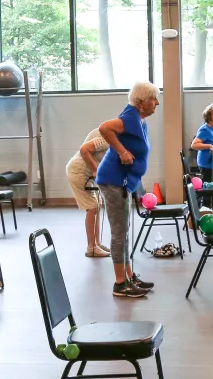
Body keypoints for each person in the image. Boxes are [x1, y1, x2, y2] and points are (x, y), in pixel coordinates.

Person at [95, 81, 160, 298]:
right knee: (119, 232)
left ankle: (129, 275)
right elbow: (104, 128)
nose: (157, 103)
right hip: (114, 181)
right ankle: (120, 284)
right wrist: (122, 151)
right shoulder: (129, 118)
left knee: (124, 230)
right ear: (142, 102)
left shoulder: (139, 120)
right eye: (154, 99)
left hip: (123, 181)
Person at [68, 127, 113, 257]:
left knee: (96, 206)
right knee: (92, 208)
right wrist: (95, 168)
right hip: (79, 172)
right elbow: (84, 150)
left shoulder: (109, 133)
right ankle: (91, 247)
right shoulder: (106, 138)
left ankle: (96, 243)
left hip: (84, 172)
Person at [189, 103, 213, 185]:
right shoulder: (205, 129)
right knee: (209, 192)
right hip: (208, 166)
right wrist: (209, 146)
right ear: (209, 118)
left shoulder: (212, 129)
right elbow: (194, 145)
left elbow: (212, 141)